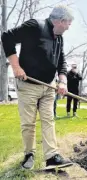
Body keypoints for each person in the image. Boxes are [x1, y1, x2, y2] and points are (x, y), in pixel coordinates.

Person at [1, 5, 74, 169]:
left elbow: (61, 62)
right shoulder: (35, 26)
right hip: (28, 86)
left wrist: (62, 81)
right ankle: (29, 155)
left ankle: (51, 157)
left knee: (49, 120)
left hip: (48, 86)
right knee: (28, 123)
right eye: (68, 23)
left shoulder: (59, 38)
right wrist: (16, 67)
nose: (69, 27)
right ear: (61, 21)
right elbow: (7, 37)